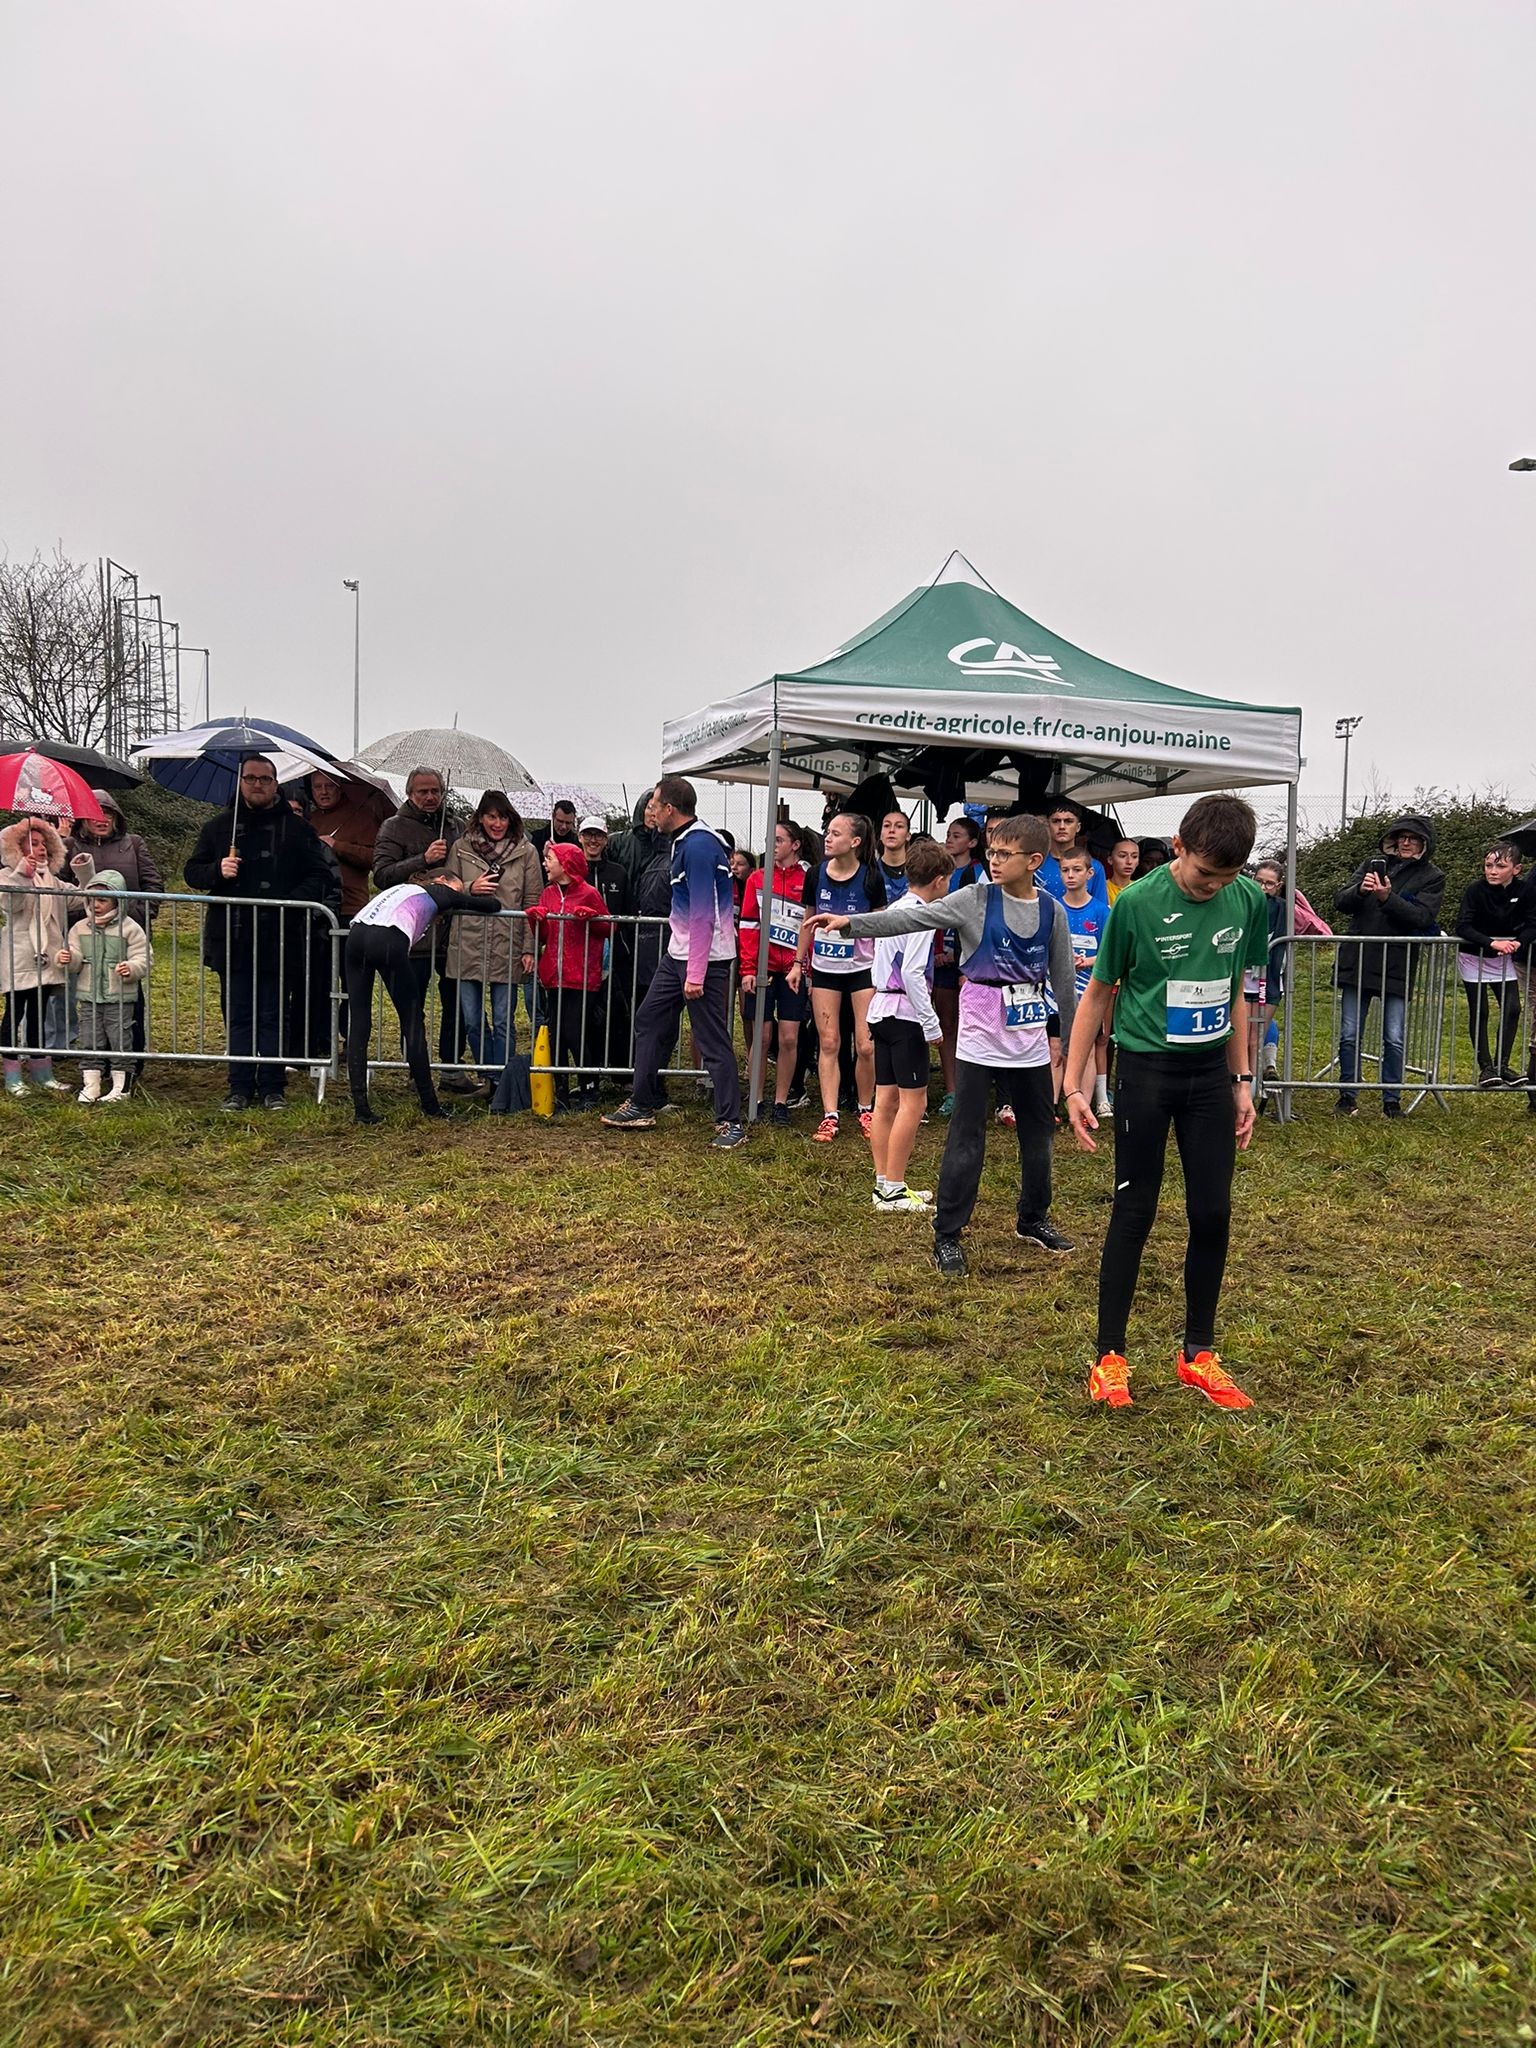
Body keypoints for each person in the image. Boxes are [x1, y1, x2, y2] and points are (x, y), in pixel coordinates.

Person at [1064, 793, 1270, 1413]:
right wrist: (1073, 1084)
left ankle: (1197, 1354)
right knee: (1135, 1211)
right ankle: (1109, 1358)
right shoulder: (1136, 904)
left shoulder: (1248, 900)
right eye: (1205, 873)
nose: (1214, 887)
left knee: (1212, 1213)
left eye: (1227, 877)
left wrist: (1241, 1079)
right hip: (1146, 1073)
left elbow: (1235, 993)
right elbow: (1098, 993)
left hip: (1209, 1077)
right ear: (1178, 848)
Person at [809, 813, 1078, 1277]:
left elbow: (1065, 979)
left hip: (1030, 1041)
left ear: (1034, 861)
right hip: (978, 1039)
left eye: (1004, 854)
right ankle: (948, 1234)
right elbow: (911, 916)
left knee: (1039, 1136)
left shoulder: (1052, 911)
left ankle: (1033, 1218)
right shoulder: (974, 899)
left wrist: (1066, 1041)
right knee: (966, 1138)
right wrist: (850, 924)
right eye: (991, 852)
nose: (993, 861)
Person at [184, 753, 336, 1111]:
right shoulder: (218, 828)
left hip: (279, 937)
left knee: (273, 1013)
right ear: (240, 782)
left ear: (275, 784)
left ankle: (272, 1085)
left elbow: (320, 876)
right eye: (250, 778)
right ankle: (239, 1085)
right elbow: (193, 872)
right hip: (232, 936)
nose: (257, 784)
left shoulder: (298, 829)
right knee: (238, 1013)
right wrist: (218, 870)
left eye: (265, 779)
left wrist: (287, 902)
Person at [602, 774, 745, 1149]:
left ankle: (731, 1122)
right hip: (678, 954)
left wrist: (695, 973)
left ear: (670, 809)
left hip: (705, 960)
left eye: (654, 805)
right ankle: (642, 1103)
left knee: (712, 1039)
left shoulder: (698, 846)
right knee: (648, 1018)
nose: (650, 812)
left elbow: (703, 914)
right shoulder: (684, 841)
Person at [344, 877, 500, 1123]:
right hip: (388, 939)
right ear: (442, 881)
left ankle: (360, 1109)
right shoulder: (438, 891)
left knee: (360, 1022)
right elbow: (491, 906)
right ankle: (430, 1106)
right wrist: (462, 896)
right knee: (412, 1024)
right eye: (455, 889)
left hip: (357, 935)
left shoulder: (402, 889)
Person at [1333, 814, 1445, 1119]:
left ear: (1425, 843)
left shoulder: (1432, 876)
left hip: (1398, 962)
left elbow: (1422, 917)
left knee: (1393, 1036)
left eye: (1413, 838)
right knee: (1349, 1033)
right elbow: (1340, 902)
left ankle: (1391, 1099)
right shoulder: (1372, 864)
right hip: (1358, 959)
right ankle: (1347, 1095)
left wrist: (1387, 897)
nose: (1405, 842)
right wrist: (1361, 890)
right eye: (1401, 836)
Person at [864, 836, 953, 1211]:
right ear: (939, 880)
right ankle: (895, 1188)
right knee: (914, 1104)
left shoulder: (895, 908)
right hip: (905, 1015)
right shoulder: (920, 916)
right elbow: (914, 972)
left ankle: (883, 1184)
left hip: (881, 1009)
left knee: (885, 1100)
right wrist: (932, 1025)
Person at [441, 791, 541, 1080]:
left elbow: (532, 902)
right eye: (492, 817)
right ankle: (489, 1074)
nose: (498, 824)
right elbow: (446, 887)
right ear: (481, 818)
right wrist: (470, 888)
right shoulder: (461, 847)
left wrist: (529, 947)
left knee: (503, 1019)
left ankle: (503, 1081)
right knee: (472, 1019)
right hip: (468, 943)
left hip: (507, 943)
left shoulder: (526, 852)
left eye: (503, 817)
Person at [800, 810, 885, 1143]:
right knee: (829, 1042)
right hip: (825, 970)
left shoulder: (871, 877)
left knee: (865, 1045)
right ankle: (830, 1115)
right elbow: (807, 922)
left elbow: (881, 925)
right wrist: (797, 963)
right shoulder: (815, 875)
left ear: (855, 842)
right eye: (828, 832)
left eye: (836, 833)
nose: (828, 837)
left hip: (862, 970)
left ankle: (866, 1109)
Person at [371, 767, 464, 1070]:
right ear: (410, 793)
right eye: (423, 791)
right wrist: (423, 859)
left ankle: (452, 1067)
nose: (430, 797)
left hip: (451, 933)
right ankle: (416, 1068)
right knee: (412, 1005)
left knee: (456, 1005)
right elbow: (382, 875)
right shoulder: (393, 827)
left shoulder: (456, 826)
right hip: (414, 932)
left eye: (435, 791)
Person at [528, 842, 612, 1110]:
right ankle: (561, 1089)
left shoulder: (589, 893)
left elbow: (609, 928)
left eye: (550, 859)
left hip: (581, 976)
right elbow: (543, 936)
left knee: (575, 1032)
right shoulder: (548, 893)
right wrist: (536, 920)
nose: (545, 863)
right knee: (557, 1034)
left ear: (565, 865)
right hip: (554, 975)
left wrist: (592, 919)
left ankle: (588, 1088)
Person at [738, 819, 812, 1125]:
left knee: (789, 1037)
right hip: (763, 969)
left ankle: (781, 1102)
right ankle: (756, 1099)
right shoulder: (757, 879)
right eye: (771, 839)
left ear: (795, 845)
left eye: (779, 840)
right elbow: (748, 926)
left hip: (794, 970)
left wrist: (804, 966)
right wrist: (747, 968)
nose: (773, 845)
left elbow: (812, 926)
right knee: (762, 1036)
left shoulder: (808, 878)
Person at [55, 870, 150, 1104]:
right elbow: (75, 958)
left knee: (120, 1040)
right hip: (88, 996)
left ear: (118, 901)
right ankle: (91, 1085)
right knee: (90, 1039)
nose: (95, 905)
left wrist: (132, 967)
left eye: (102, 900)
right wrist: (68, 958)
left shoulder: (130, 928)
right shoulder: (80, 928)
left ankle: (121, 1087)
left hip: (120, 997)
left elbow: (144, 957)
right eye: (91, 900)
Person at [0, 817, 76, 1094]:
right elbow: (11, 905)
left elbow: (77, 897)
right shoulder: (7, 875)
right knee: (14, 1013)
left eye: (44, 843)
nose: (41, 849)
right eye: (33, 843)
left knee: (39, 1014)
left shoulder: (52, 880)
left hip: (46, 956)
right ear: (17, 848)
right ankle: (12, 1076)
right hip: (20, 956)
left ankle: (42, 1073)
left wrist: (88, 874)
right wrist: (23, 873)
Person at [1453, 841, 1536, 1089]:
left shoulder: (1525, 891)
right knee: (1480, 1011)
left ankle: (1502, 1065)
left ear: (1516, 869)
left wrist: (1518, 943)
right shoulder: (1475, 890)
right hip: (1474, 957)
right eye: (1488, 865)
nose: (1492, 871)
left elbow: (1533, 923)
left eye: (1500, 866)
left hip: (1504, 957)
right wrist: (1491, 943)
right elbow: (1463, 926)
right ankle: (1486, 1067)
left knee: (1512, 1008)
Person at [932, 814, 987, 1114]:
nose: (949, 839)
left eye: (957, 835)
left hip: (967, 962)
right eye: (949, 834)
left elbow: (980, 918)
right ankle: (951, 1090)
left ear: (973, 842)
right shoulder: (939, 870)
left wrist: (959, 954)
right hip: (937, 959)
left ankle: (971, 1089)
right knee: (946, 1024)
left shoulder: (978, 873)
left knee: (971, 1025)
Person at [579, 815, 636, 1071]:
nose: (593, 840)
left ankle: (620, 1071)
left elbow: (629, 911)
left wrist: (625, 945)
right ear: (580, 837)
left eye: (598, 835)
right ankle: (589, 1071)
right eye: (588, 835)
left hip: (616, 955)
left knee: (617, 1013)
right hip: (581, 954)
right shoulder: (572, 872)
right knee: (586, 1013)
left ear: (606, 840)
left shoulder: (618, 872)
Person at [1058, 849, 1112, 1115]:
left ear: (1090, 873)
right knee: (1055, 1046)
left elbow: (1112, 952)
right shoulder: (1054, 908)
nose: (1070, 875)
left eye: (1077, 870)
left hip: (1090, 991)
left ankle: (1084, 1106)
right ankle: (1054, 1104)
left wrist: (1088, 961)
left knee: (1089, 1046)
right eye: (1065, 870)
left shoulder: (1102, 911)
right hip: (1056, 992)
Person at [306, 769, 379, 921]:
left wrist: (337, 846)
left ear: (339, 787)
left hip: (350, 907)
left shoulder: (361, 817)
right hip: (315, 905)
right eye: (318, 787)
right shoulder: (310, 819)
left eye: (330, 786)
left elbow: (375, 858)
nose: (324, 792)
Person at [1038, 800, 1108, 903]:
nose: (1062, 827)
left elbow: (1101, 909)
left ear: (1078, 827)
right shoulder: (1036, 865)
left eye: (1068, 821)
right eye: (1056, 821)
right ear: (1048, 825)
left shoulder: (1094, 867)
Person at [876, 809, 912, 902]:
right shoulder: (870, 871)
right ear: (880, 835)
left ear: (908, 836)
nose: (891, 830)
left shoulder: (919, 872)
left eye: (899, 826)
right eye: (886, 826)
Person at [1105, 837, 1140, 904]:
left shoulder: (1141, 889)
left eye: (1134, 856)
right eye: (1122, 856)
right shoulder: (1102, 888)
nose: (1129, 861)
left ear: (1138, 862)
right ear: (1110, 860)